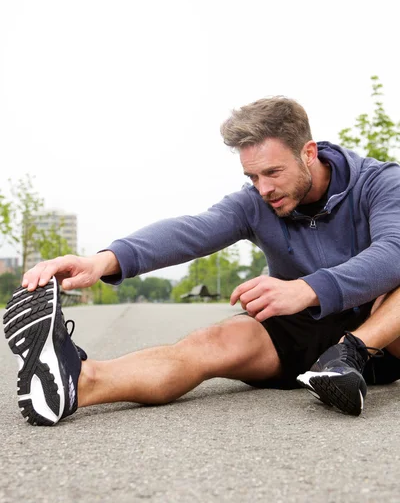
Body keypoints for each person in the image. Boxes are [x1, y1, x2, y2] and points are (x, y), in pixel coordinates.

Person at [4, 96, 400, 426]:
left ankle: (349, 354)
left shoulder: (379, 183)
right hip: (305, 328)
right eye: (252, 178)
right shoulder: (257, 202)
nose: (263, 189)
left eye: (273, 172)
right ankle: (77, 382)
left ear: (308, 153)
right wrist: (103, 260)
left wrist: (308, 288)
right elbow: (192, 231)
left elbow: (393, 251)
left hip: (384, 333)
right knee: (209, 343)